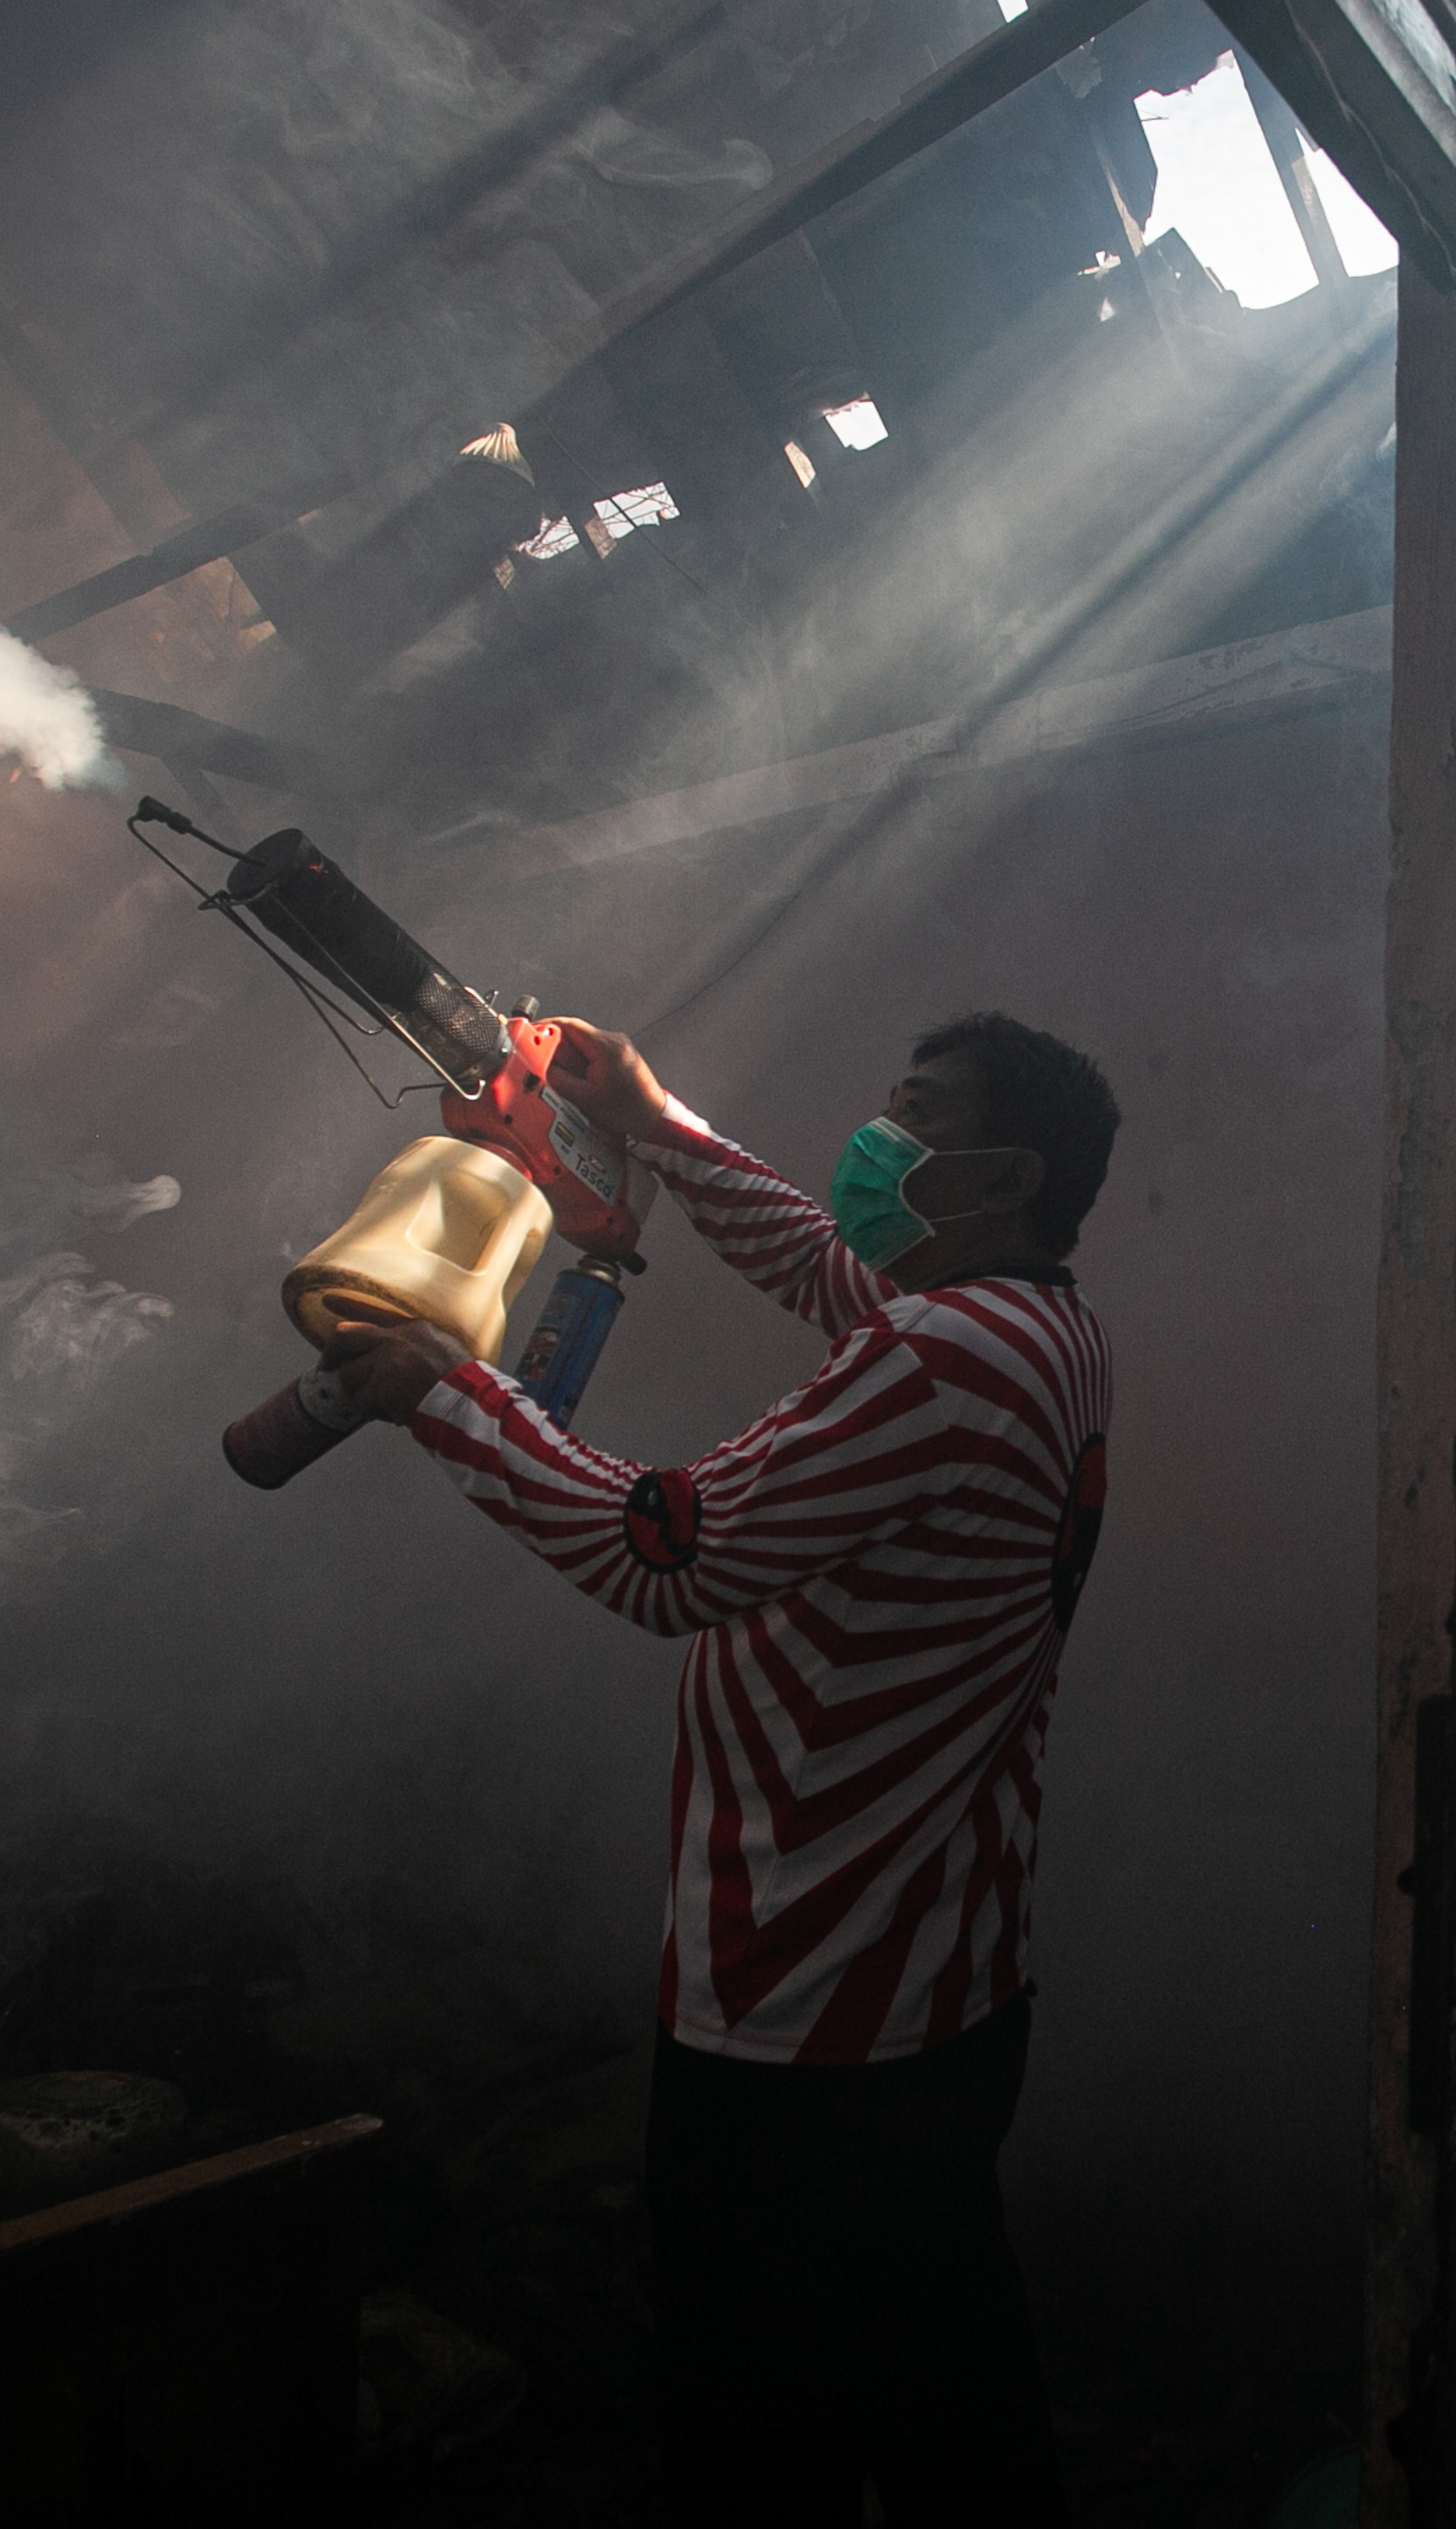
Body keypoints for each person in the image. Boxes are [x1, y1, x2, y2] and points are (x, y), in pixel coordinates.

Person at [325, 1011, 1120, 2525]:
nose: (879, 1129)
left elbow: (666, 1556)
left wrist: (440, 1385)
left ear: (1003, 1170)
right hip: (946, 1977)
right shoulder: (1040, 1323)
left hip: (809, 2005)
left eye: (918, 1109)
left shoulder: (942, 1353)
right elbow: (838, 1271)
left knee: (761, 2424)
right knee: (950, 2385)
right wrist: (657, 1121)